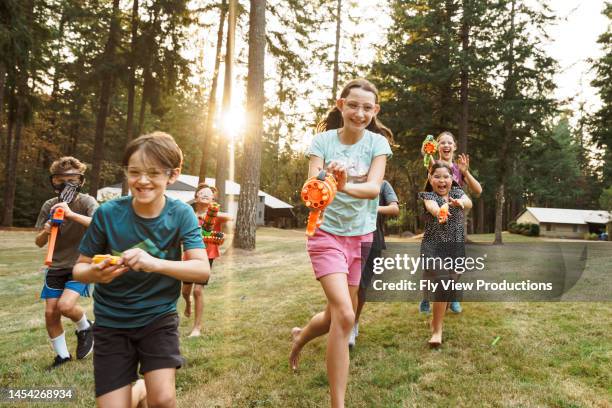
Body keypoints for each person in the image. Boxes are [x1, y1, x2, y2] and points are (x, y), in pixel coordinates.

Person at [73, 131, 210, 407]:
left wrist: (155, 263)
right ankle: (138, 390)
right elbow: (79, 270)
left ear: (172, 175)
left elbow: (202, 270)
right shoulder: (107, 213)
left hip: (157, 319)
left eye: (153, 173)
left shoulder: (181, 214)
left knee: (163, 400)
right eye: (134, 172)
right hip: (111, 322)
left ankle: (144, 390)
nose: (142, 181)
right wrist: (95, 273)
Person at [289, 79, 393, 408]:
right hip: (326, 235)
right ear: (340, 105)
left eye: (366, 107)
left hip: (361, 238)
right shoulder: (321, 142)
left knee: (336, 316)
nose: (359, 113)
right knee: (346, 316)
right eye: (353, 105)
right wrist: (326, 179)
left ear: (375, 111)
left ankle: (299, 340)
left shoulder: (377, 144)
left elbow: (374, 188)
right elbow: (312, 189)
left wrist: (345, 185)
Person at [34, 156, 97, 369]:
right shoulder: (49, 205)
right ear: (54, 181)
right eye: (60, 180)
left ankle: (85, 326)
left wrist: (70, 215)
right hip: (56, 265)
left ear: (80, 180)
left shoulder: (86, 202)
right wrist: (48, 228)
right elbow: (38, 242)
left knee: (65, 305)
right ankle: (62, 357)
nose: (65, 184)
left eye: (71, 179)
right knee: (51, 313)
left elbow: (98, 225)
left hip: (81, 264)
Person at [420, 130, 481, 314]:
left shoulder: (459, 168)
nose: (446, 145)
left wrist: (465, 172)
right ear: (437, 147)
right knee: (431, 267)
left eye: (449, 142)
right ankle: (425, 298)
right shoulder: (433, 164)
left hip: (455, 221)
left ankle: (451, 294)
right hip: (436, 221)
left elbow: (477, 190)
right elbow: (427, 159)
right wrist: (427, 153)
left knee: (457, 264)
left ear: (454, 146)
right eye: (442, 142)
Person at [418, 160, 472, 347]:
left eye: (446, 176)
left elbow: (469, 202)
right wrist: (441, 209)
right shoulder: (428, 195)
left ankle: (437, 316)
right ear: (430, 178)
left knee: (447, 289)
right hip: (433, 247)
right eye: (437, 176)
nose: (442, 180)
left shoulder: (457, 192)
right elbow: (432, 207)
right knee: (443, 282)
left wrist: (460, 202)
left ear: (452, 178)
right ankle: (437, 330)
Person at [350, 180, 399, 347]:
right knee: (347, 285)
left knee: (362, 286)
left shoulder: (383, 185)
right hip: (347, 237)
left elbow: (394, 208)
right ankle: (346, 325)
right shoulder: (349, 179)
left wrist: (372, 208)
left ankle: (354, 323)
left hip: (373, 240)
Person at [182, 183, 232, 337]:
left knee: (198, 291)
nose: (205, 194)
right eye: (201, 192)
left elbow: (230, 217)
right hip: (189, 256)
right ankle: (188, 302)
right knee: (185, 292)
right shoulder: (188, 215)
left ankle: (197, 328)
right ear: (196, 197)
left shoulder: (214, 214)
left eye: (208, 193)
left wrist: (210, 215)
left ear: (213, 199)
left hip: (207, 256)